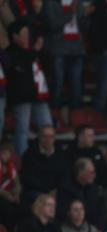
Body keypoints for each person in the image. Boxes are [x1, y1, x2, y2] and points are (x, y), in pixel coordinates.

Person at [7, 21, 52, 157]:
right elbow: (20, 68)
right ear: (15, 37)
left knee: (47, 126)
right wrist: (35, 51)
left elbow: (48, 64)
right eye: (24, 33)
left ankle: (48, 154)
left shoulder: (32, 50)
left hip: (40, 96)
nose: (27, 36)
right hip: (22, 97)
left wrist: (40, 50)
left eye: (28, 33)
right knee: (22, 130)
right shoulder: (10, 52)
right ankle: (23, 158)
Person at [45, 0, 88, 110]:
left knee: (76, 84)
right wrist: (70, 14)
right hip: (59, 49)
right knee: (57, 83)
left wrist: (85, 16)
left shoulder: (77, 2)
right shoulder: (51, 3)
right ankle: (55, 116)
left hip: (77, 49)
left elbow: (84, 27)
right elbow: (52, 25)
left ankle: (75, 117)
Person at [21, 125, 67, 203]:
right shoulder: (29, 155)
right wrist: (47, 191)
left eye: (51, 136)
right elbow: (29, 179)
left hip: (56, 190)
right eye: (45, 136)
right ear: (39, 137)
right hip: (36, 191)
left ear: (54, 137)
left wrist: (56, 190)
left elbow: (65, 175)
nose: (48, 139)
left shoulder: (61, 153)